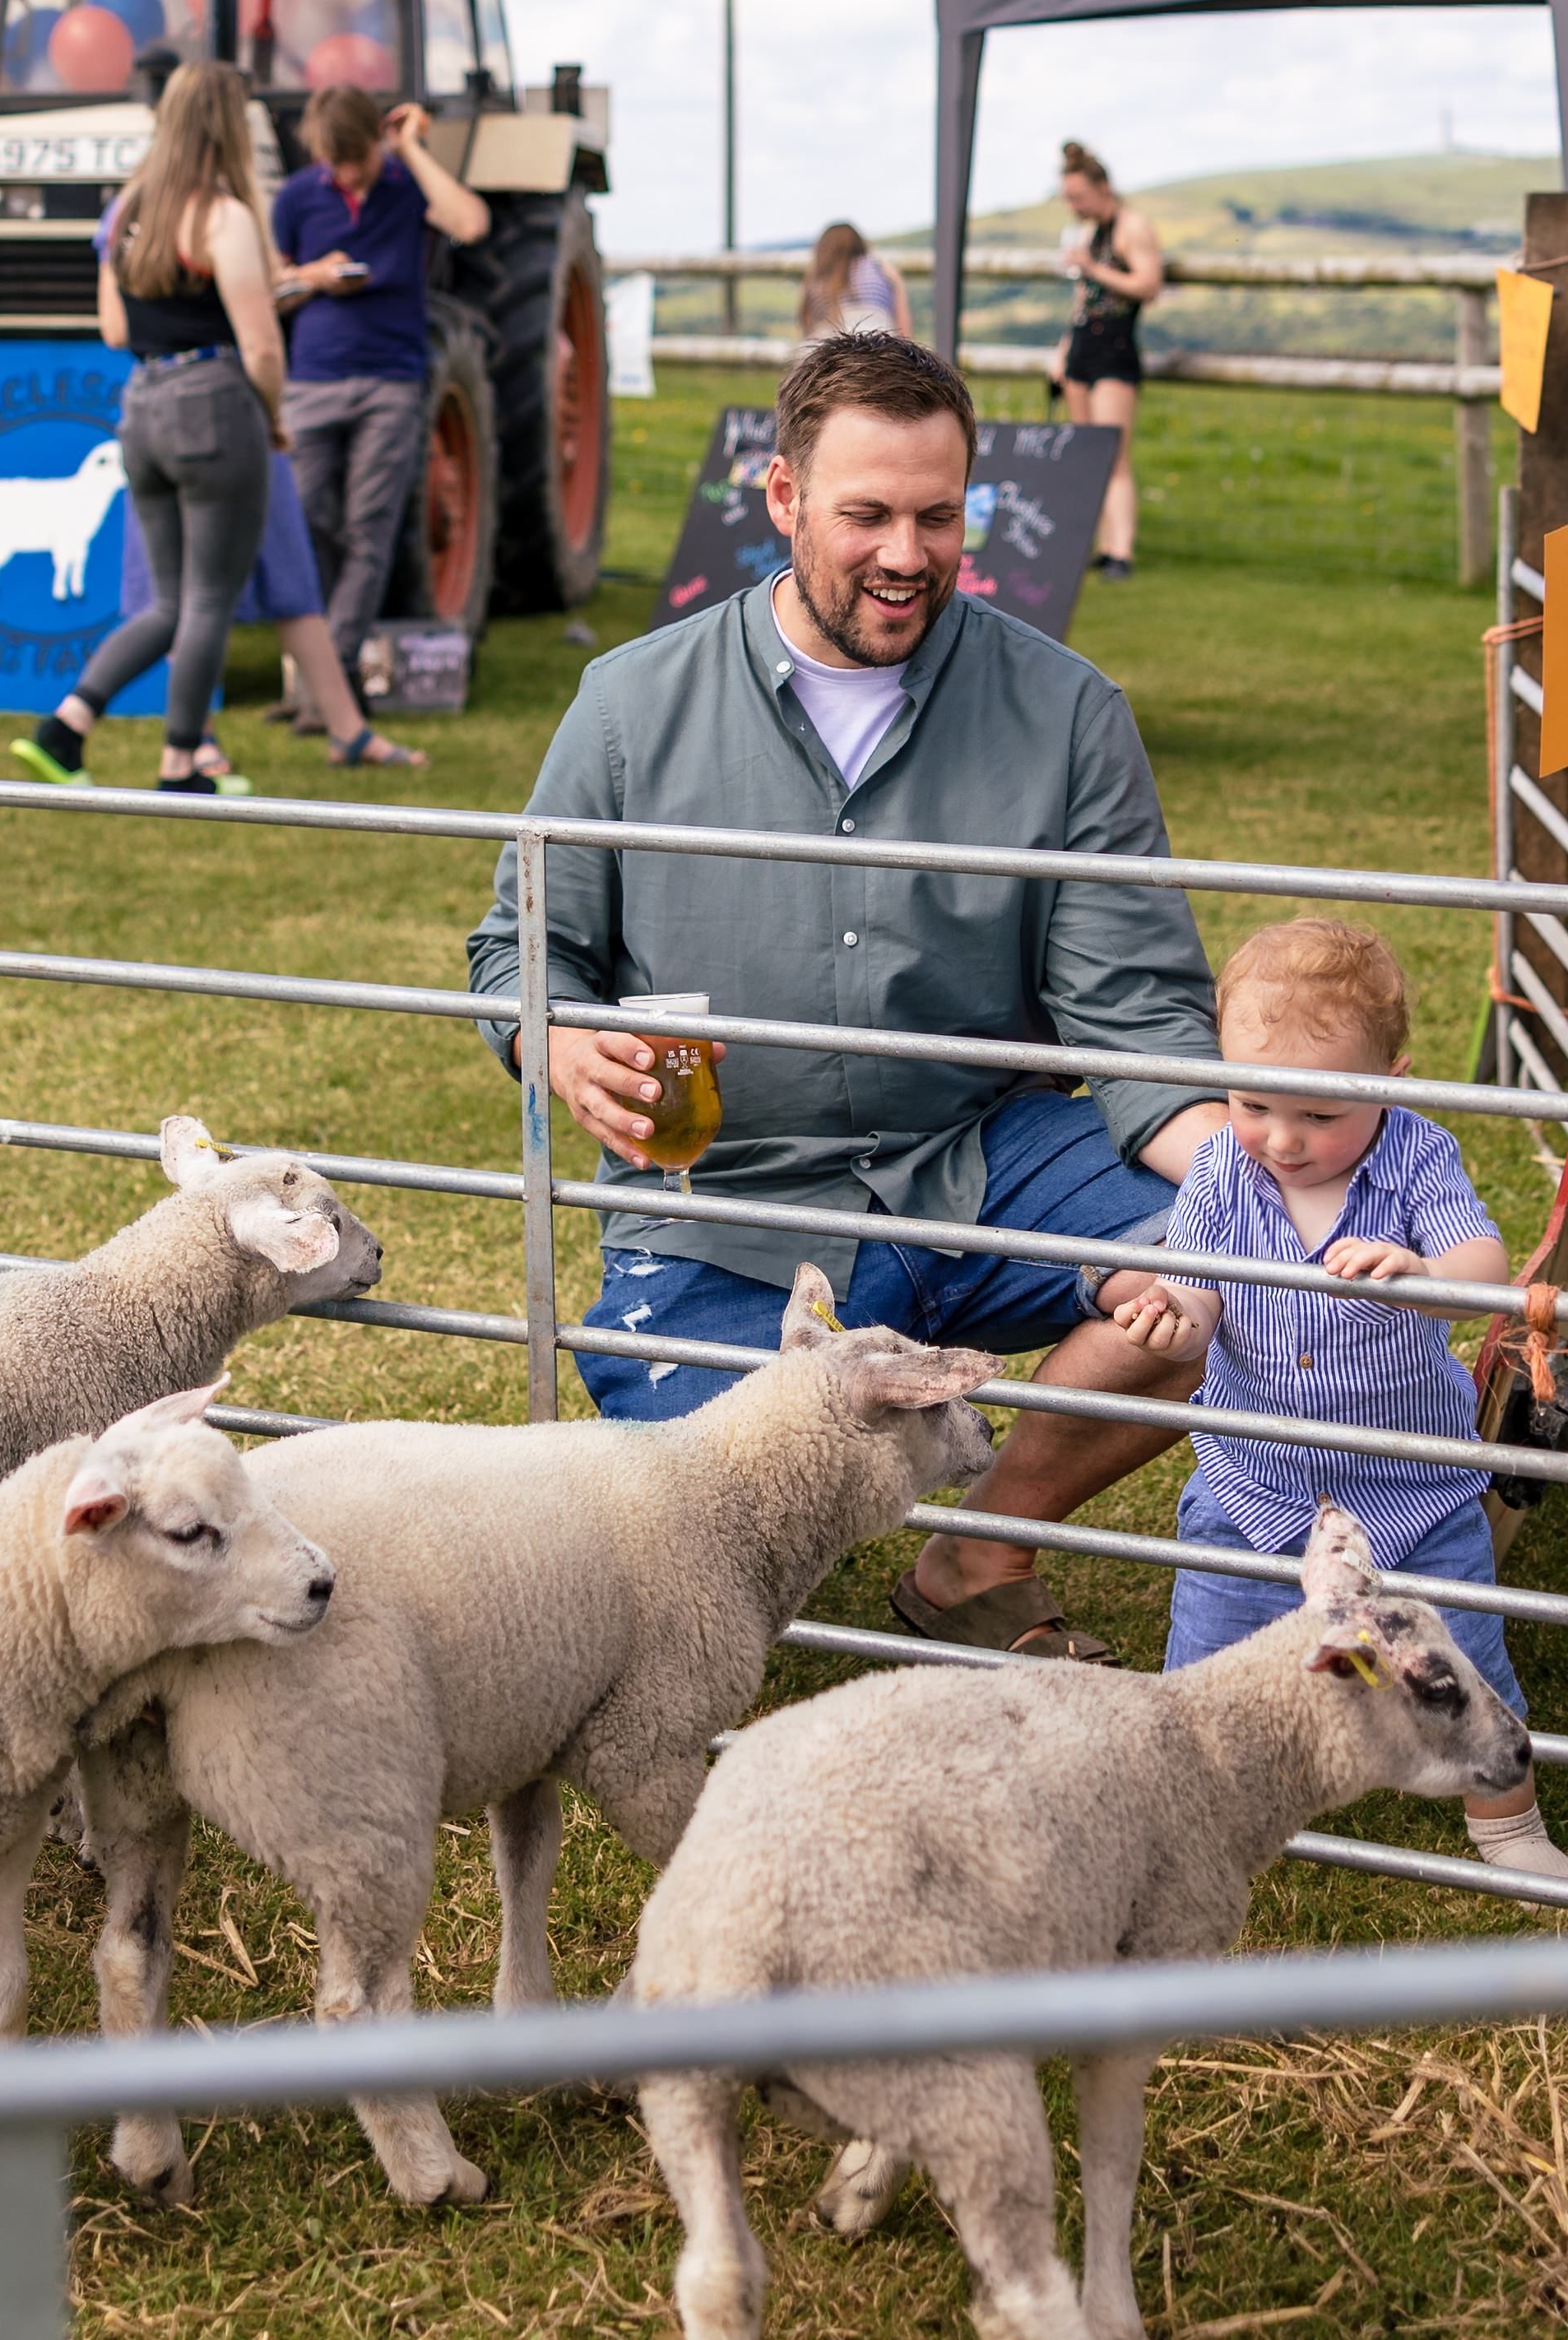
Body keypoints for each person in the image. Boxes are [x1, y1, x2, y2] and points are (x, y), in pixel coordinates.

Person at [468, 329, 1226, 1664]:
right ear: (781, 499)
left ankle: (979, 1555)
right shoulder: (624, 710)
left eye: (940, 516)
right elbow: (521, 953)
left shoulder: (1067, 713)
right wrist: (557, 1039)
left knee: (1234, 1255)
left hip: (979, 1158)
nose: (907, 553)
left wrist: (1249, 1198)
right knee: (695, 1565)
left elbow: (1140, 1012)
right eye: (867, 513)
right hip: (724, 1208)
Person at [1102, 917, 1568, 1883]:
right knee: (1205, 1661)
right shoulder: (1219, 1170)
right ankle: (1189, 1821)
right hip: (1255, 1485)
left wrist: (1422, 1270)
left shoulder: (1416, 1156)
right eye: (1251, 1103)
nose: (1282, 1138)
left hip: (1412, 1488)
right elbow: (1198, 1286)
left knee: (1466, 1665)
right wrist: (1177, 1316)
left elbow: (1484, 1262)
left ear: (1390, 1082)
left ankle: (1506, 1824)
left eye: (1320, 1115)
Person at [12, 63, 289, 796]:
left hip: (141, 402)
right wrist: (275, 413)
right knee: (207, 602)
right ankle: (178, 763)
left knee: (168, 601)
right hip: (213, 402)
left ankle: (67, 725)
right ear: (232, 125)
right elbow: (261, 346)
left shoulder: (126, 210)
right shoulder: (224, 217)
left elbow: (112, 329)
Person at [269, 85, 489, 711]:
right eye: (334, 163)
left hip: (390, 381)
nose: (345, 173)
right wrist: (313, 278)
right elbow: (269, 287)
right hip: (311, 380)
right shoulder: (296, 198)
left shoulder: (404, 186)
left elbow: (470, 222)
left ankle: (329, 680)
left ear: (375, 142)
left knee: (370, 528)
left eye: (357, 159)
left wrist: (410, 150)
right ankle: (322, 672)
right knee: (310, 519)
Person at [116, 448, 429, 768]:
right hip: (182, 432)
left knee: (291, 580)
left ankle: (349, 732)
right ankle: (192, 737)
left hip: (246, 435)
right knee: (188, 593)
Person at [1053, 141, 1162, 583]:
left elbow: (1148, 284)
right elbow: (1082, 301)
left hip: (1115, 349)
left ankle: (1121, 551)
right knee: (1087, 453)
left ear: (1102, 187)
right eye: (1068, 198)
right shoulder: (1088, 233)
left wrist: (1093, 269)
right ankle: (1099, 544)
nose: (1073, 206)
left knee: (1113, 454)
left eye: (1078, 196)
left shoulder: (1131, 227)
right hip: (1082, 345)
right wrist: (1061, 354)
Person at [796, 221, 908, 341]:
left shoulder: (818, 276)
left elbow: (806, 324)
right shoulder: (881, 268)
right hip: (881, 343)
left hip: (826, 345)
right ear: (859, 243)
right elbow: (903, 327)